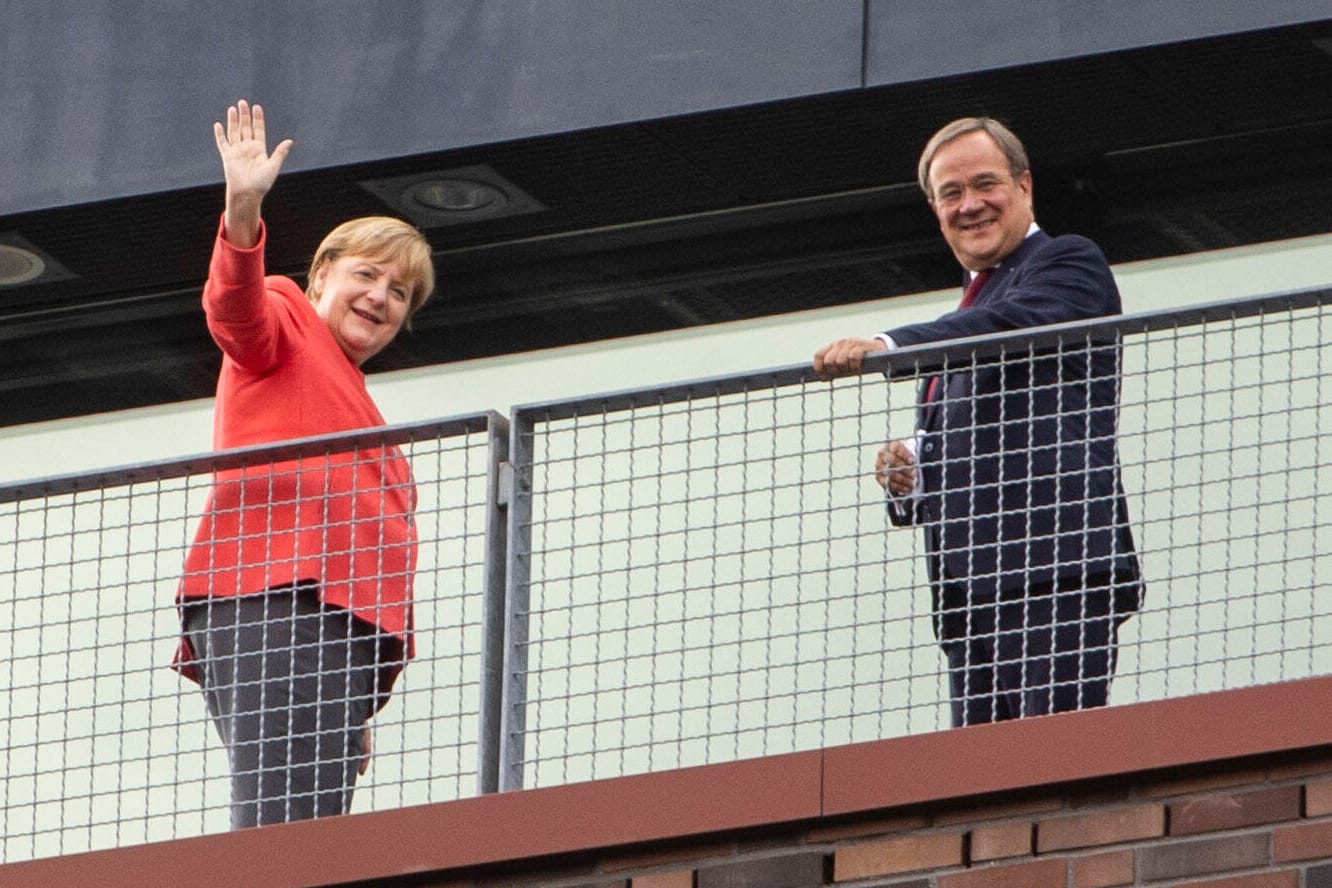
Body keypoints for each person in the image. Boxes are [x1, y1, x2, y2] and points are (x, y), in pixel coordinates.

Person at [814, 117, 1143, 728]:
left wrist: (887, 345)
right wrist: (915, 466)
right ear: (935, 210)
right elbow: (990, 404)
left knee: (1054, 761)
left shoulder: (1068, 262)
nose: (970, 206)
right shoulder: (964, 316)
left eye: (984, 184)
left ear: (1024, 187)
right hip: (969, 588)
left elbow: (1007, 331)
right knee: (985, 791)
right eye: (951, 193)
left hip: (1051, 570)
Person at [174, 100, 436, 827]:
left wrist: (357, 697)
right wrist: (244, 211)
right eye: (368, 275)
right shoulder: (286, 316)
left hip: (334, 634)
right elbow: (234, 311)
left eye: (401, 293)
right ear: (321, 277)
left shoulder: (362, 410)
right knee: (285, 828)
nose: (381, 298)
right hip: (278, 599)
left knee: (311, 825)